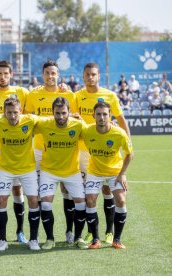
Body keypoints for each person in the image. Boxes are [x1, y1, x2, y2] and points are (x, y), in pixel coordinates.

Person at [74, 62, 131, 246]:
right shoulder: (77, 96)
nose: (90, 77)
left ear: (99, 76)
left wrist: (127, 142)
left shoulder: (109, 95)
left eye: (93, 74)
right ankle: (92, 234)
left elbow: (121, 120)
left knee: (108, 191)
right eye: (87, 74)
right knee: (88, 195)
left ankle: (109, 231)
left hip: (107, 151)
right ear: (83, 76)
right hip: (84, 150)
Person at [25, 60, 78, 244]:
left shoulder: (68, 95)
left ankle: (69, 232)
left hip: (65, 151)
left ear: (58, 75)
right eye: (47, 73)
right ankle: (40, 234)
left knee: (67, 192)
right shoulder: (33, 94)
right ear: (42, 74)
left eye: (53, 73)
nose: (50, 76)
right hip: (40, 151)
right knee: (41, 195)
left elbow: (76, 118)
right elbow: (27, 119)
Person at [0, 60, 30, 244]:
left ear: (11, 74)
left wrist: (62, 88)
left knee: (17, 190)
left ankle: (20, 231)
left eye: (6, 73)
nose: (3, 77)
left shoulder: (22, 92)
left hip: (16, 150)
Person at [35, 97, 87, 250]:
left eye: (64, 113)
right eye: (57, 113)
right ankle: (50, 238)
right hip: (49, 171)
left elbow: (94, 133)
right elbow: (24, 122)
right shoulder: (44, 124)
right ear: (52, 113)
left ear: (69, 112)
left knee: (81, 203)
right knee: (45, 204)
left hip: (72, 171)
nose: (60, 117)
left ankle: (78, 237)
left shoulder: (78, 125)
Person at [0, 97, 41, 251]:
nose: (12, 116)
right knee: (1, 200)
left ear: (21, 111)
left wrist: (72, 116)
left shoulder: (30, 120)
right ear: (4, 113)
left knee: (33, 199)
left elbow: (50, 120)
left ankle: (33, 239)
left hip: (27, 168)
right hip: (5, 169)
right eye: (9, 112)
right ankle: (3, 241)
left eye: (15, 112)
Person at [82, 102, 133, 249]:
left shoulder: (119, 133)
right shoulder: (87, 131)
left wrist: (122, 174)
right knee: (90, 201)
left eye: (105, 114)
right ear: (93, 116)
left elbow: (130, 155)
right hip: (95, 171)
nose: (102, 117)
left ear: (110, 116)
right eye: (98, 114)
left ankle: (116, 239)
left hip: (114, 172)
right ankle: (96, 240)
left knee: (121, 200)